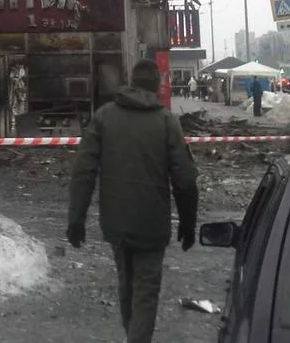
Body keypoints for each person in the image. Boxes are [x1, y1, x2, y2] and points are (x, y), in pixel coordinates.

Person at [67, 59, 199, 343]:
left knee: (126, 285)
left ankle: (133, 335)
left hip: (116, 222)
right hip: (152, 224)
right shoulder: (166, 122)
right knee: (146, 293)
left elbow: (83, 171)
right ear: (156, 86)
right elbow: (185, 179)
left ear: (132, 82)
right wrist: (188, 223)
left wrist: (76, 218)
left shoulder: (104, 117)